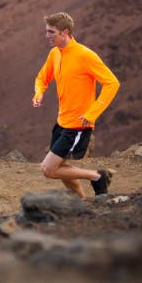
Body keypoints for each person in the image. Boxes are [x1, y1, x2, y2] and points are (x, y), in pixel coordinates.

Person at [32, 12, 120, 198]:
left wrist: (92, 114)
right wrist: (39, 93)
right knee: (60, 167)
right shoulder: (55, 53)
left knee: (48, 169)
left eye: (51, 32)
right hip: (62, 122)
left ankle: (96, 177)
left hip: (78, 125)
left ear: (65, 32)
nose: (46, 36)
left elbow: (112, 83)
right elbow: (42, 78)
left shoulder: (85, 55)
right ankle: (81, 201)